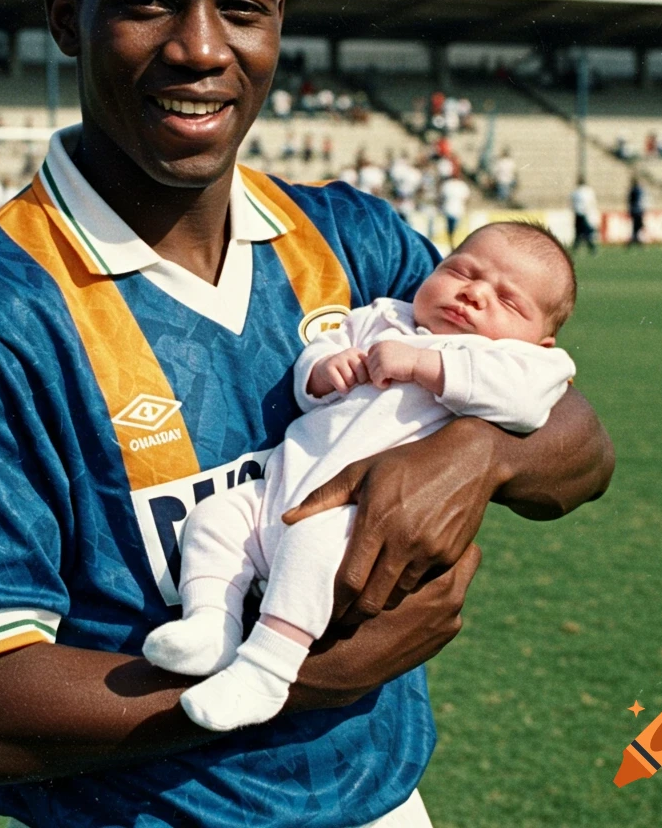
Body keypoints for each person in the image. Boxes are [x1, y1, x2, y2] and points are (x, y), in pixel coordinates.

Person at [0, 0, 613, 828]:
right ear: (67, 16)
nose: (200, 46)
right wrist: (306, 673)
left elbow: (580, 446)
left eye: (241, 4)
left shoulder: (355, 238)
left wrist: (474, 453)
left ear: (277, 21)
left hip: (387, 802)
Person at [145, 223, 577, 731]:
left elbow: (525, 405)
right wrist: (323, 370)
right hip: (278, 493)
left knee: (311, 543)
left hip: (352, 521)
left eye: (508, 300)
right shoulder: (383, 316)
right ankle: (211, 624)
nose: (474, 293)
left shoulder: (517, 360)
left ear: (542, 340)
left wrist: (424, 366)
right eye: (460, 270)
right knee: (217, 517)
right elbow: (321, 350)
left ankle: (266, 669)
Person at [439, 173, 470, 244]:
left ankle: (452, 241)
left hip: (451, 209)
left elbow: (441, 197)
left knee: (452, 228)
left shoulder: (448, 185)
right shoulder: (459, 185)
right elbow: (466, 198)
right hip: (454, 209)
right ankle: (451, 242)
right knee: (453, 228)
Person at [570, 176, 599, 254]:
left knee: (579, 231)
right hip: (586, 213)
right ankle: (591, 248)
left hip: (578, 214)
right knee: (585, 232)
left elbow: (572, 203)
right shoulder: (588, 191)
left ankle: (577, 248)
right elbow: (592, 203)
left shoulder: (575, 191)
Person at [627, 175, 646, 247]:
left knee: (636, 227)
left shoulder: (633, 190)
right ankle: (635, 241)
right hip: (637, 211)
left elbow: (630, 201)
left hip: (635, 211)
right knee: (638, 226)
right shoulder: (637, 190)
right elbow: (638, 202)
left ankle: (634, 241)